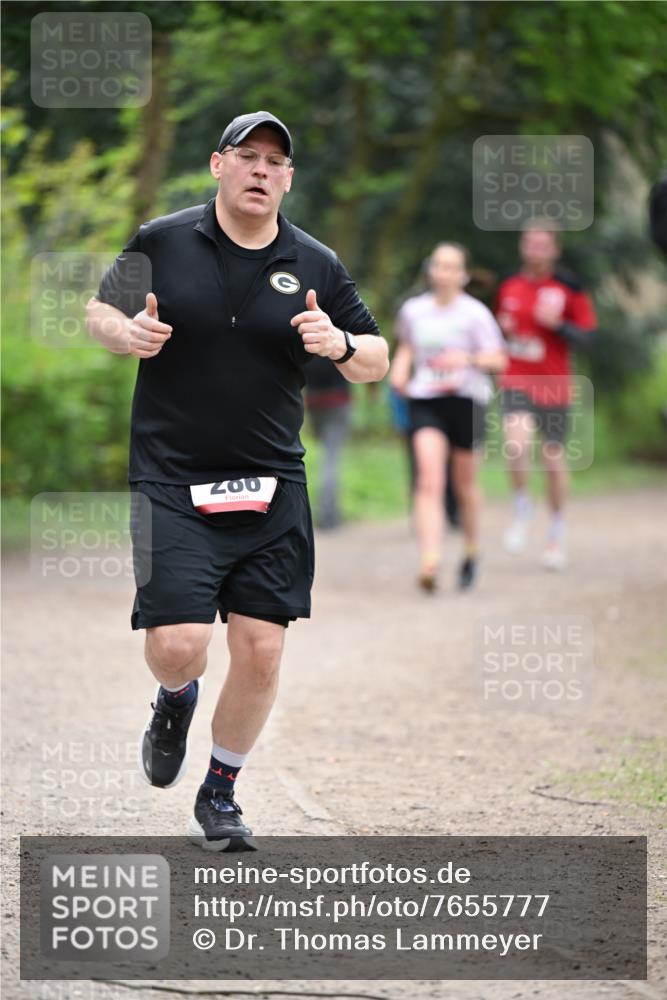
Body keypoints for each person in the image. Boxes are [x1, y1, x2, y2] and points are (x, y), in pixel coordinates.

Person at [86, 110, 388, 851]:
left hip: (271, 482)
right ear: (218, 165)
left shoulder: (314, 263)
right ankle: (174, 697)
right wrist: (122, 333)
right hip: (172, 478)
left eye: (275, 162)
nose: (261, 170)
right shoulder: (161, 240)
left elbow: (378, 356)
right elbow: (99, 307)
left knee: (260, 649)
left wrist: (342, 343)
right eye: (247, 156)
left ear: (287, 180)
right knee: (179, 643)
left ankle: (219, 794)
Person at [389, 243, 506, 591]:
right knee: (428, 480)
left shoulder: (475, 314)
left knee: (465, 486)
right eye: (438, 265)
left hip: (466, 400)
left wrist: (467, 360)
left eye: (452, 266)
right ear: (431, 271)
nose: (444, 273)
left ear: (463, 274)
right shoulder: (413, 310)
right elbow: (408, 346)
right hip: (426, 399)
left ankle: (471, 550)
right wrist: (400, 371)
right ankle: (430, 560)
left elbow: (498, 360)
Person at [495, 220, 597, 570]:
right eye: (530, 243)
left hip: (554, 386)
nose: (535, 250)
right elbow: (502, 332)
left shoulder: (570, 288)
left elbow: (589, 338)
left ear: (554, 249)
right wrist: (503, 331)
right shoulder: (509, 285)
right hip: (516, 381)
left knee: (553, 461)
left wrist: (558, 325)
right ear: (523, 246)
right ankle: (522, 504)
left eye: (543, 245)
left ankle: (556, 531)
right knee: (516, 445)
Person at [303, 355, 352, 529]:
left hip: (314, 402)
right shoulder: (337, 334)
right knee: (330, 459)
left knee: (325, 456)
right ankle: (328, 514)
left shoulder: (306, 333)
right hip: (337, 401)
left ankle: (323, 511)